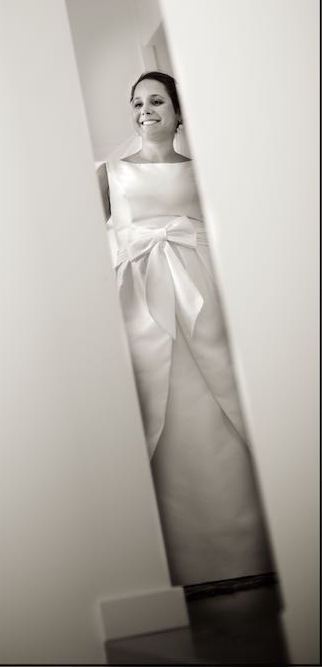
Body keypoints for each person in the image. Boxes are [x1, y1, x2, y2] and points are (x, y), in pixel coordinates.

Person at [98, 71, 275, 587]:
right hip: (138, 298)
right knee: (158, 402)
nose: (144, 109)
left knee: (219, 400)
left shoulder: (206, 171)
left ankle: (249, 549)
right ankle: (175, 562)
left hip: (202, 295)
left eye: (156, 101)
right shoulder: (109, 171)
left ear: (178, 111)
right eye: (136, 102)